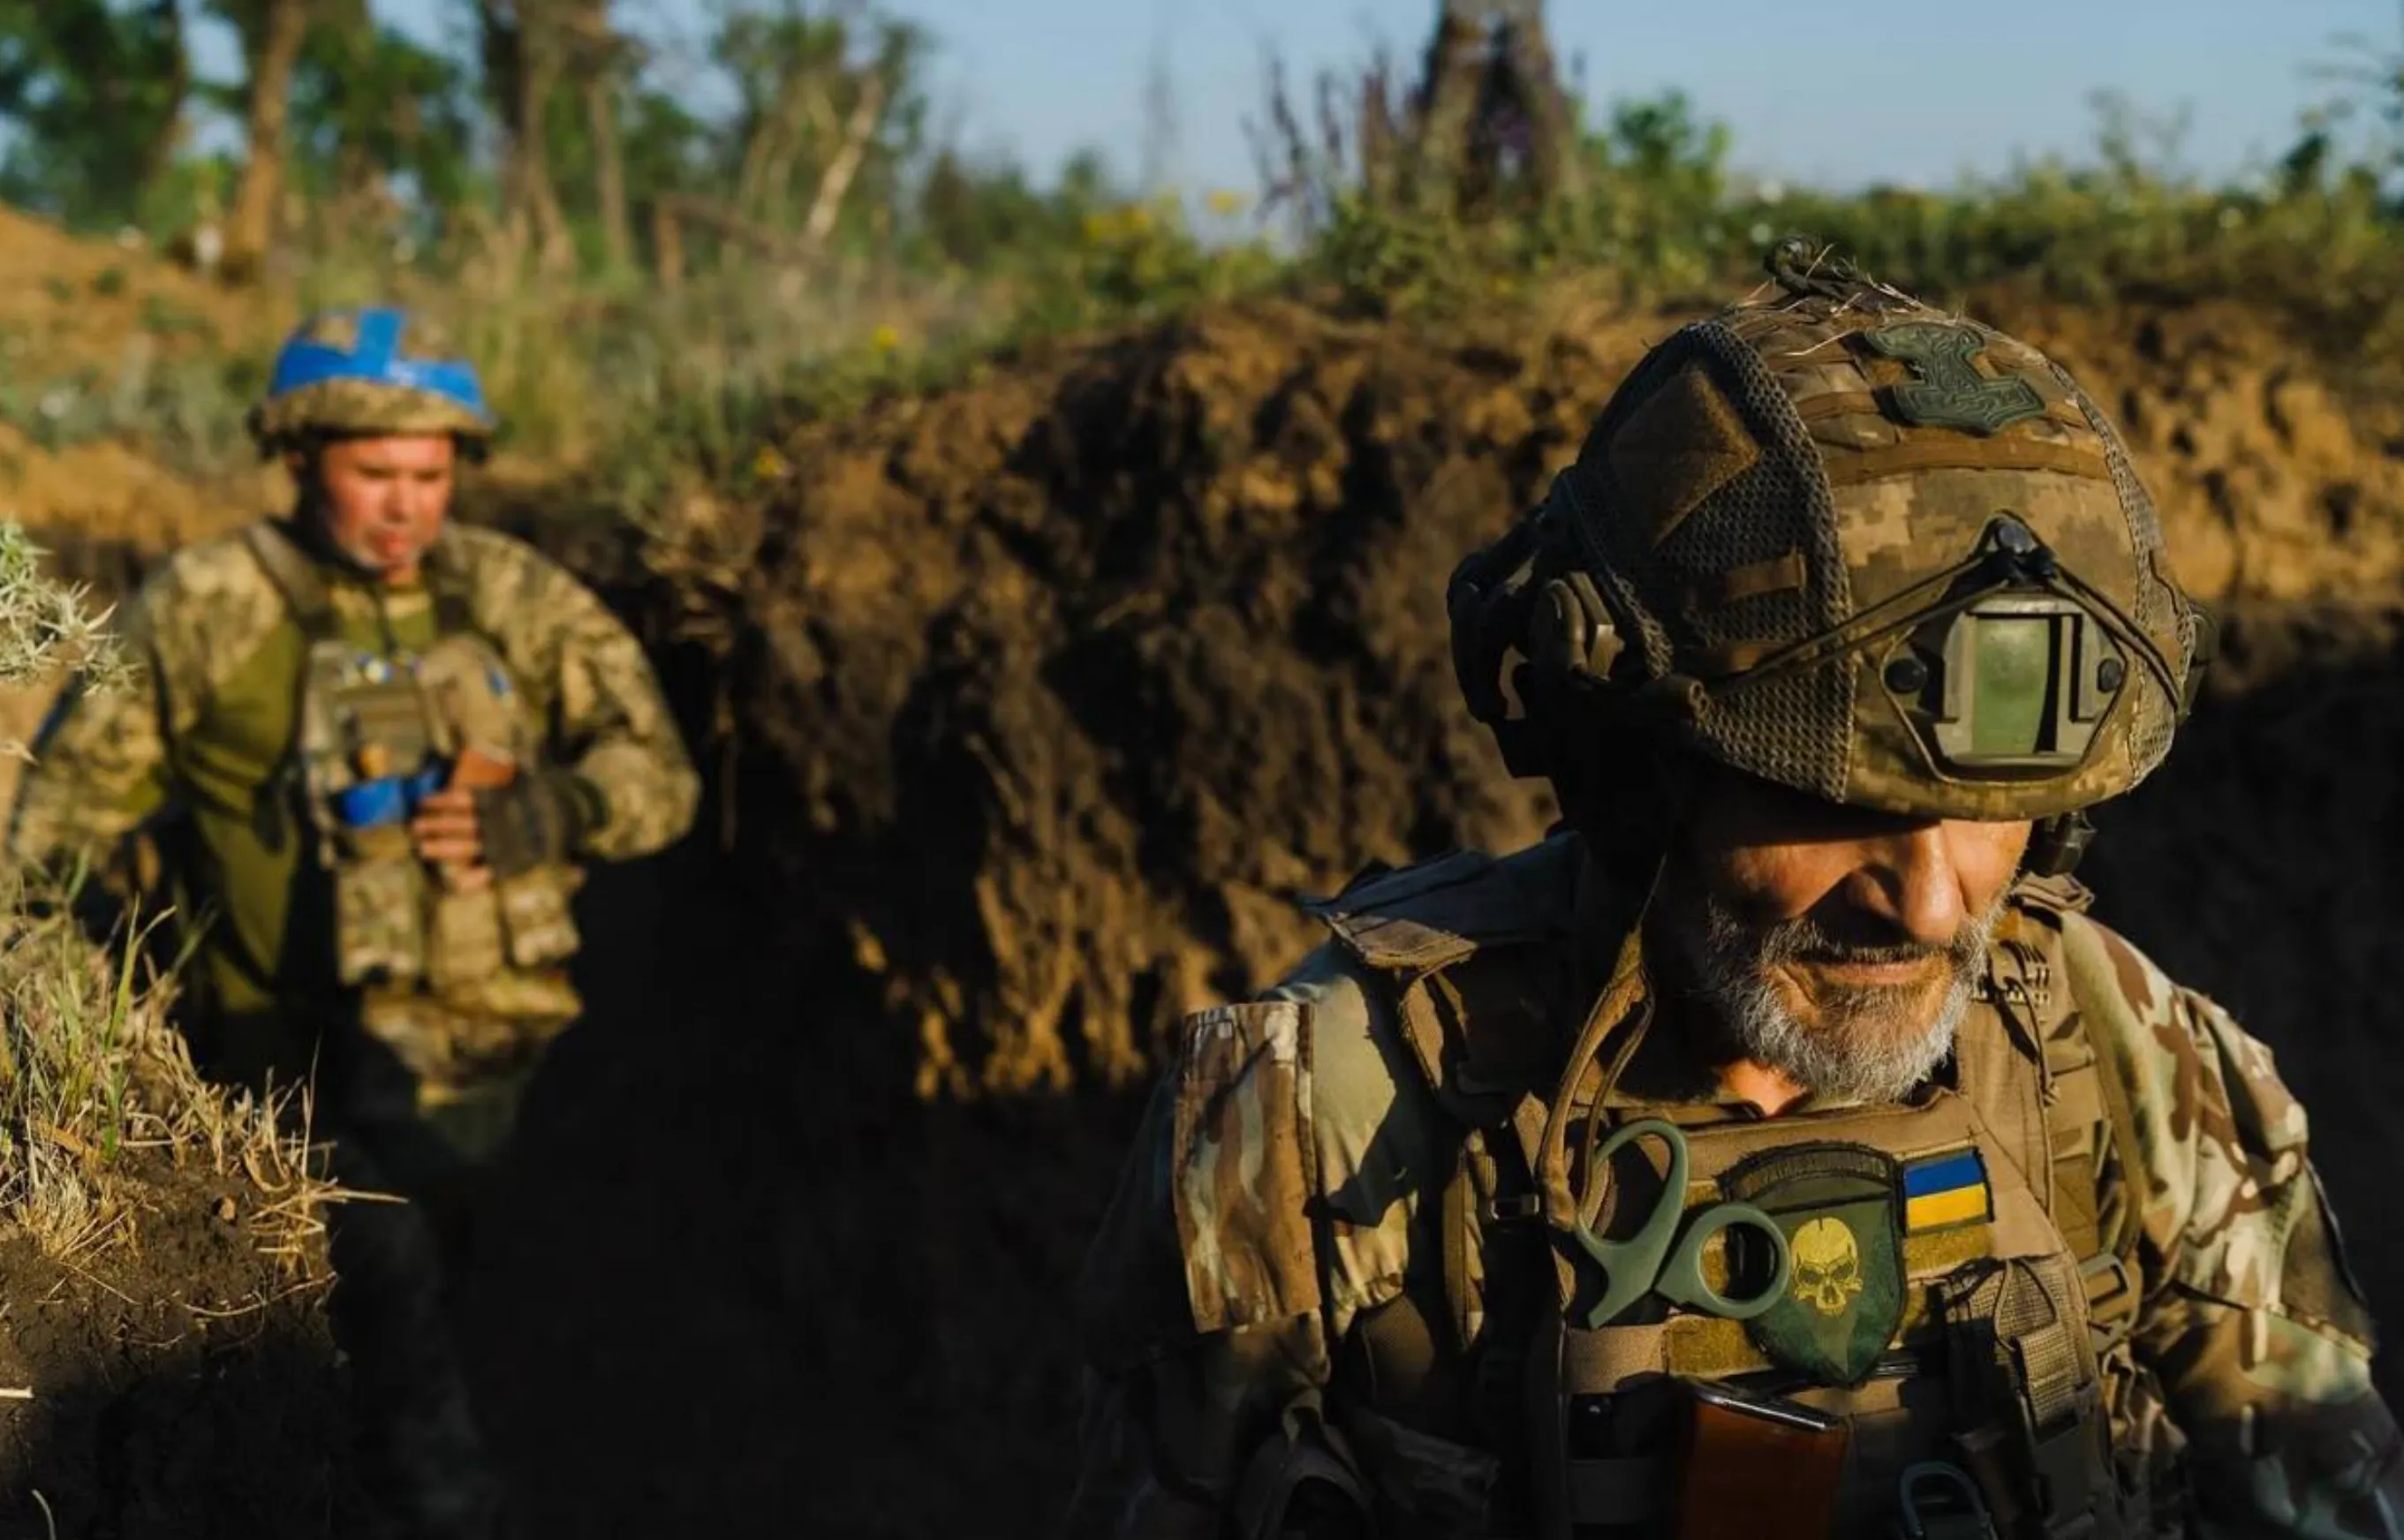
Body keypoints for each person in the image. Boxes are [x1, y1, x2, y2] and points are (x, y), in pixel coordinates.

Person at [1063, 249, 2404, 1539]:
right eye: (1833, 807)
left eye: (1989, 813)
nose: (1931, 906)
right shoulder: (1325, 1105)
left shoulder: (2111, 1046)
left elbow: (2326, 1484)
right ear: (1638, 771)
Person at [8, 306, 700, 1538]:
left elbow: (660, 779)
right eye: (373, 472)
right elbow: (52, 852)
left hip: (504, 1086)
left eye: (430, 475)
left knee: (486, 1325)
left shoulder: (510, 594)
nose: (406, 504)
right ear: (299, 457)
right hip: (291, 1080)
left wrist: (547, 813)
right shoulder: (209, 606)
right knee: (383, 1365)